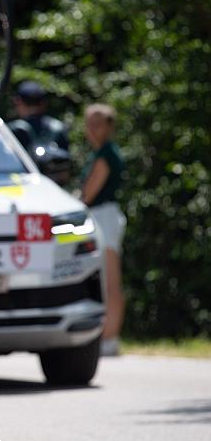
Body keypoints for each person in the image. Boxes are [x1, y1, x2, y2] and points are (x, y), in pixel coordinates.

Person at [81, 103, 126, 357]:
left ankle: (110, 338)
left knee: (110, 281)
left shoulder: (105, 154)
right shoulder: (100, 152)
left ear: (109, 126)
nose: (92, 129)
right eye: (89, 123)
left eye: (98, 123)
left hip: (104, 216)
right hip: (102, 216)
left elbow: (88, 194)